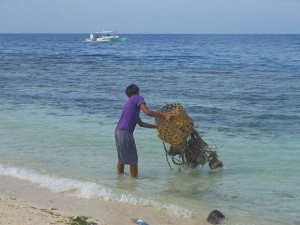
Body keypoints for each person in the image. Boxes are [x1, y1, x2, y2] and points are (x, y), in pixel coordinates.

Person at [115, 84, 173, 178]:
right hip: (125, 132)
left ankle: (119, 180)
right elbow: (147, 112)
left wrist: (156, 127)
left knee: (122, 159)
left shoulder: (129, 104)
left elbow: (141, 124)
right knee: (133, 160)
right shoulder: (137, 98)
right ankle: (134, 182)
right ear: (137, 92)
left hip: (118, 132)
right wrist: (164, 116)